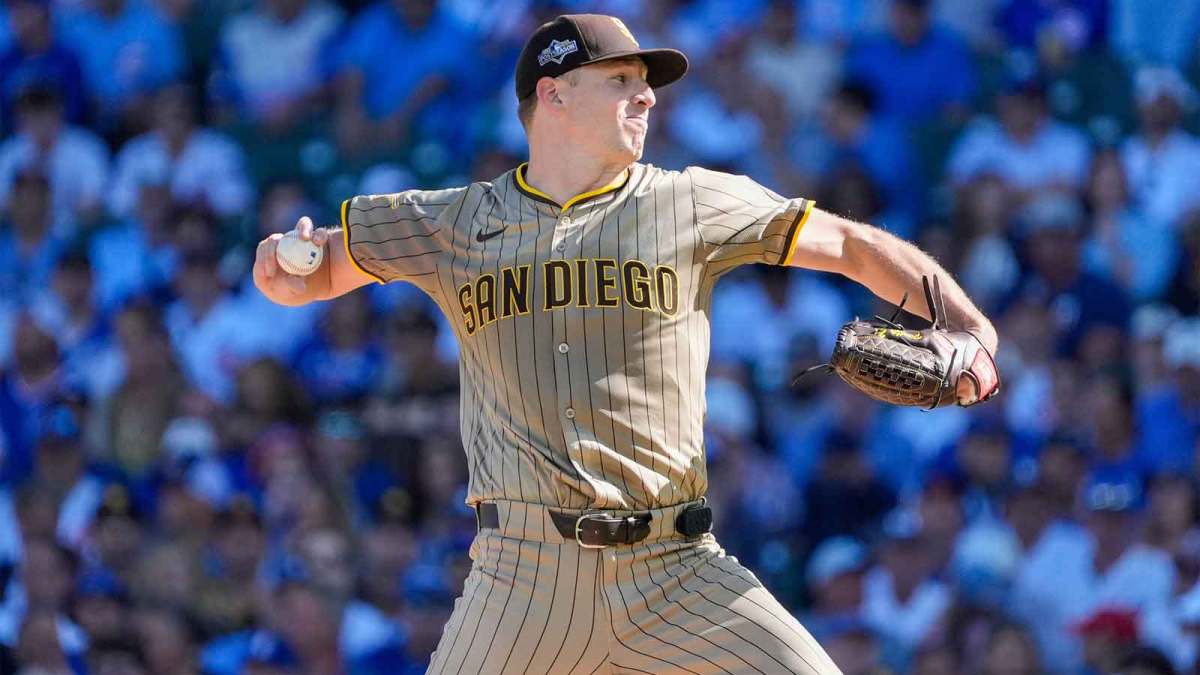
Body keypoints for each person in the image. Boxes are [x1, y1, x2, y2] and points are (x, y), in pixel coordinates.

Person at [252, 13, 999, 673]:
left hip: (677, 568)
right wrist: (285, 273)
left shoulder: (691, 201)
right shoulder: (452, 222)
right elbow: (310, 278)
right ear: (554, 94)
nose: (646, 95)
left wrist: (969, 326)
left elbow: (846, 243)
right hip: (522, 579)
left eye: (647, 83)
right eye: (621, 80)